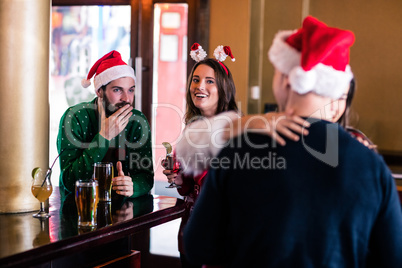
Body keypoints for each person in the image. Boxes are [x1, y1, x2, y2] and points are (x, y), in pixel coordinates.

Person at [182, 16, 402, 267]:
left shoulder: (238, 153)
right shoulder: (371, 166)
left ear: (287, 79)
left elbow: (199, 247)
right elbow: (393, 258)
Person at [164, 44, 308, 268]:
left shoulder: (242, 131)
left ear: (224, 88)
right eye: (195, 80)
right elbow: (187, 189)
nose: (200, 86)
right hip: (191, 232)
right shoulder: (190, 130)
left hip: (226, 240)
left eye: (209, 81)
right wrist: (179, 179)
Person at [57, 50, 154, 200]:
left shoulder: (137, 120)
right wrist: (103, 137)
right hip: (79, 207)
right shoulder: (74, 118)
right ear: (99, 91)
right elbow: (70, 181)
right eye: (117, 90)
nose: (126, 99)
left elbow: (146, 177)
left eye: (131, 90)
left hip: (125, 211)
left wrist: (132, 186)